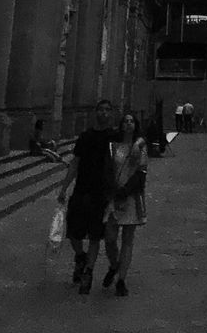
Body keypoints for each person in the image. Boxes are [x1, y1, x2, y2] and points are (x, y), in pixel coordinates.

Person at [57, 99, 116, 295]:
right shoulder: (85, 137)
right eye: (101, 110)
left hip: (101, 193)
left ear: (112, 114)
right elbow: (75, 162)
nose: (104, 113)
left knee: (95, 236)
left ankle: (88, 272)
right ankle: (80, 257)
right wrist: (64, 187)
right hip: (82, 190)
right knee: (73, 233)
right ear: (96, 113)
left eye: (108, 110)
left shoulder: (114, 138)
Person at [102, 110, 148, 298]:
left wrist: (125, 191)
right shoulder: (114, 146)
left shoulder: (140, 145)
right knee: (110, 238)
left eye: (131, 121)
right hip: (114, 196)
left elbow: (141, 172)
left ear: (135, 125)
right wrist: (112, 189)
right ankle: (114, 265)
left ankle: (121, 279)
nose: (128, 124)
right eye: (125, 121)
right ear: (121, 125)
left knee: (128, 240)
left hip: (131, 197)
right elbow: (108, 168)